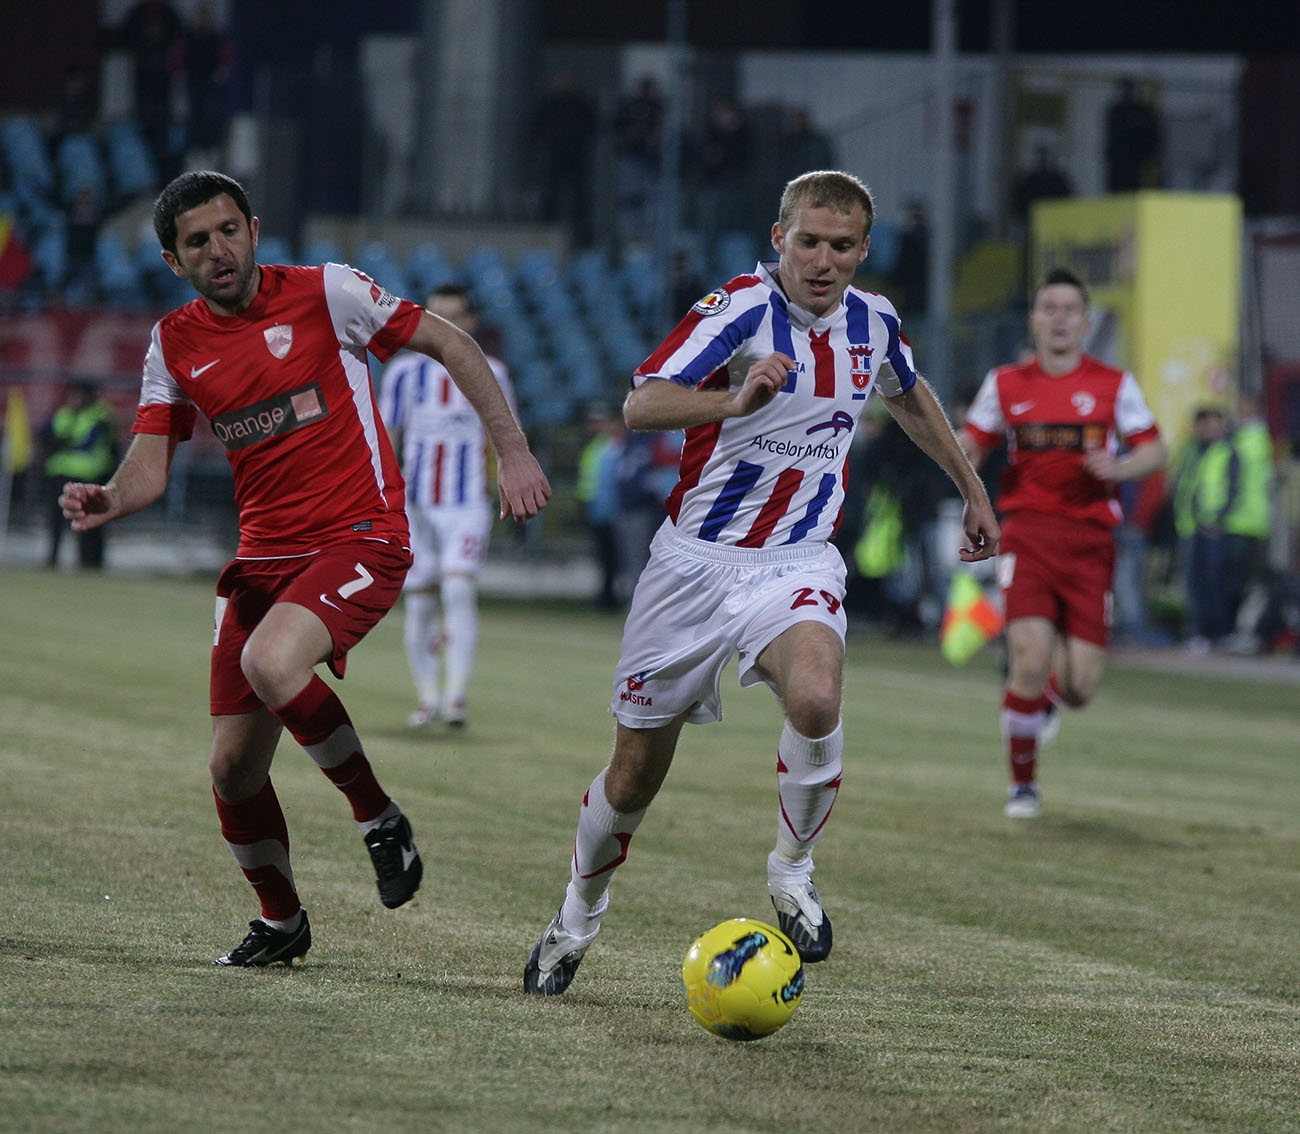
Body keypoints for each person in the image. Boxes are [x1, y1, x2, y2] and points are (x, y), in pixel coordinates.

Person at [524, 170, 999, 996]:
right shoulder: (739, 308)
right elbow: (642, 406)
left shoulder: (874, 320)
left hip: (796, 558)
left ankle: (792, 869)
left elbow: (910, 396)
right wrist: (733, 402)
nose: (823, 260)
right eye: (808, 241)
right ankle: (574, 920)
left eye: (841, 246)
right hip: (692, 566)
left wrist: (972, 488)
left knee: (817, 697)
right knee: (633, 776)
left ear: (862, 250)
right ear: (779, 238)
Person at [59, 171, 551, 967]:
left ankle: (378, 818)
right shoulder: (173, 343)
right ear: (171, 260)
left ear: (254, 230)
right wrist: (109, 499)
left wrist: (514, 449)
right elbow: (148, 470)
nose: (217, 250)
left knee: (270, 659)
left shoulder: (331, 292)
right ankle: (283, 922)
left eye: (228, 231)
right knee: (230, 768)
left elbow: (451, 343)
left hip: (361, 535)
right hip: (264, 559)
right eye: (197, 242)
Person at [959, 268, 1167, 819]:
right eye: (1048, 307)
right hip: (1026, 535)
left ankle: (1051, 700)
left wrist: (1120, 466)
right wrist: (956, 460)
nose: (1058, 318)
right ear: (1034, 319)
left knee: (1080, 687)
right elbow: (970, 444)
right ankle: (1022, 787)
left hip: (1090, 543)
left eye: (1069, 309)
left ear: (1086, 321)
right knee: (1027, 659)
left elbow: (1155, 449)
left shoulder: (1113, 385)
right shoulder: (1005, 382)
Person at [378, 283, 519, 728]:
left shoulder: (491, 370)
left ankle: (456, 695)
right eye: (434, 315)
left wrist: (505, 486)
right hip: (417, 503)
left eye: (452, 315)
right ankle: (427, 697)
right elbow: (388, 437)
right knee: (419, 602)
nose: (442, 325)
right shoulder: (404, 372)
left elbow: (506, 434)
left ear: (470, 321)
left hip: (466, 502)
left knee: (458, 589)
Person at [42, 381, 118, 568]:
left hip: (89, 477)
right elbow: (44, 436)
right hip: (60, 475)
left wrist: (63, 443)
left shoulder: (100, 416)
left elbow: (89, 443)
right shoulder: (63, 414)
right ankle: (52, 560)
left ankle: (90, 563)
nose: (74, 399)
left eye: (78, 395)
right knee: (56, 520)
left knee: (90, 523)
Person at [531, 70, 598, 248]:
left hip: (576, 153)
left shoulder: (581, 103)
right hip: (555, 153)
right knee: (551, 188)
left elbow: (592, 124)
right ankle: (548, 221)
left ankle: (581, 226)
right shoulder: (551, 103)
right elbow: (539, 125)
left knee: (578, 191)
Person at [576, 400, 625, 612]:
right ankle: (607, 598)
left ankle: (611, 599)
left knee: (615, 558)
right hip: (596, 509)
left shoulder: (615, 447)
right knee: (605, 558)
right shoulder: (596, 447)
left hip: (612, 510)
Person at [1105, 77, 1162, 192]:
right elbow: (1112, 136)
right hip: (1119, 163)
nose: (1126, 94)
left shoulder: (1143, 113)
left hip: (1138, 164)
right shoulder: (1116, 111)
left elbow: (1152, 137)